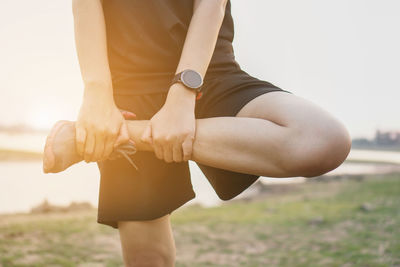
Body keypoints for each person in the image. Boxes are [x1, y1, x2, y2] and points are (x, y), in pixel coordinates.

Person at [44, 0, 351, 265]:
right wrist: (97, 95)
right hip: (129, 83)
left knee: (324, 139)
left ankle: (122, 135)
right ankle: (113, 132)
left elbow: (211, 2)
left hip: (210, 73)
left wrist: (183, 93)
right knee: (148, 261)